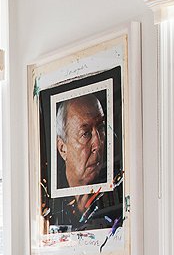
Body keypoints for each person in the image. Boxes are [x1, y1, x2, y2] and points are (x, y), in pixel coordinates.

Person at [47, 93, 120, 231]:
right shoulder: (50, 205)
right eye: (85, 133)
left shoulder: (119, 192)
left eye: (101, 128)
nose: (98, 144)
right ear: (62, 148)